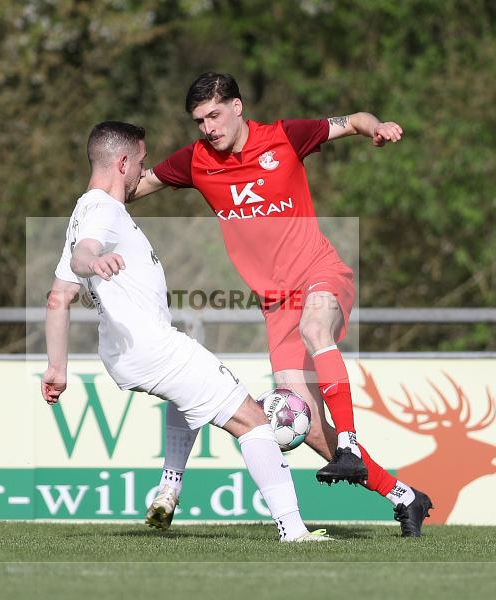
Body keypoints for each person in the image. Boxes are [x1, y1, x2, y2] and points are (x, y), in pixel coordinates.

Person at [133, 72, 433, 536]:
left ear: (236, 106)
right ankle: (403, 495)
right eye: (199, 120)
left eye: (214, 115)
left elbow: (353, 119)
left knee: (317, 330)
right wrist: (101, 194)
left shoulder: (284, 137)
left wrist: (377, 127)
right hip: (276, 305)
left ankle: (350, 443)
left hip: (320, 272)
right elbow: (136, 188)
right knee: (307, 426)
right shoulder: (194, 161)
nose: (208, 127)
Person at [41, 121, 328, 543]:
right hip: (154, 347)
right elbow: (86, 255)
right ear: (122, 163)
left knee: (189, 396)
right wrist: (92, 262)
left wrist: (56, 368)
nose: (143, 172)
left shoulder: (81, 212)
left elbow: (57, 298)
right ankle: (293, 530)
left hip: (123, 353)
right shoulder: (103, 210)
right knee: (254, 423)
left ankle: (169, 487)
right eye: (140, 163)